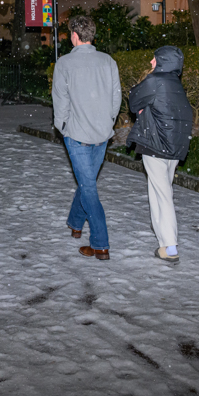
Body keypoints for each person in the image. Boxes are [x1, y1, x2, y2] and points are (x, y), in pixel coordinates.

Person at [52, 15, 121, 261]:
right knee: (87, 180)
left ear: (74, 35)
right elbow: (116, 99)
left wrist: (63, 126)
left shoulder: (65, 64)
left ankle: (100, 244)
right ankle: (75, 223)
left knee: (88, 186)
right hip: (102, 134)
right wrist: (107, 121)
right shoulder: (108, 61)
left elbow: (60, 101)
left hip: (78, 135)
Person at [127, 46, 194, 266]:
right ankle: (164, 243)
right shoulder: (176, 84)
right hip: (174, 147)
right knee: (160, 192)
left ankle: (171, 245)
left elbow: (133, 99)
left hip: (156, 146)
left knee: (162, 195)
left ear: (162, 61)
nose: (151, 62)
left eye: (154, 59)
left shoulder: (155, 81)